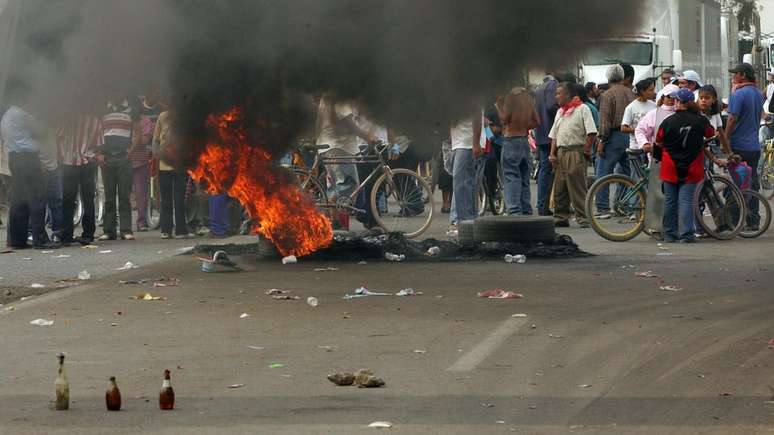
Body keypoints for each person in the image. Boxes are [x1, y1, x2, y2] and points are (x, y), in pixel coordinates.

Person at [654, 88, 715, 243]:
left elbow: (658, 141)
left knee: (670, 201)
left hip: (670, 166)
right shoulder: (701, 120)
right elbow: (710, 133)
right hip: (692, 166)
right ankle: (686, 235)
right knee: (686, 200)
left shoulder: (668, 121)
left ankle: (669, 234)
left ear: (678, 102)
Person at [1, 99, 58, 249]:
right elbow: (41, 130)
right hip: (28, 158)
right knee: (37, 198)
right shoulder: (21, 114)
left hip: (14, 158)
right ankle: (40, 239)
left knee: (19, 199)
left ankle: (17, 240)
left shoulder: (6, 116)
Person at [548, 82, 597, 228]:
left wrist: (586, 150)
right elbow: (554, 135)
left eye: (559, 94)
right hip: (561, 152)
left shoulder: (583, 109)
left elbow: (591, 132)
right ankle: (561, 216)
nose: (556, 96)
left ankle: (583, 217)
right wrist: (552, 154)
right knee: (560, 187)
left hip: (576, 150)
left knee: (577, 186)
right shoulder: (560, 112)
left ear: (568, 94)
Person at [727, 62, 766, 230]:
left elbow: (732, 118)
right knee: (752, 183)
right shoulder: (758, 93)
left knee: (736, 184)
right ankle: (753, 220)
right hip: (754, 146)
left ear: (742, 75)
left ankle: (735, 221)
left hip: (738, 145)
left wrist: (725, 138)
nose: (733, 76)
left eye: (735, 73)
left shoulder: (739, 94)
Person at [595, 64, 635, 218]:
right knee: (627, 174)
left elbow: (604, 122)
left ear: (608, 77)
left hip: (613, 137)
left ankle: (603, 208)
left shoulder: (607, 95)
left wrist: (601, 141)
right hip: (630, 136)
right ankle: (624, 206)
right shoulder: (631, 93)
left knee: (603, 173)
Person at [58, 114, 102, 246]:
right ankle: (88, 234)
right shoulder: (95, 121)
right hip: (88, 163)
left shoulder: (66, 119)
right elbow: (99, 145)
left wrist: (61, 157)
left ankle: (66, 235)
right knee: (88, 199)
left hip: (69, 163)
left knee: (68, 199)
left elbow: (59, 139)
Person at [98, 92, 136, 241]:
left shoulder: (131, 110)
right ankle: (109, 231)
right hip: (107, 158)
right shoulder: (103, 109)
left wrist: (131, 150)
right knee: (109, 197)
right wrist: (100, 153)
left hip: (123, 157)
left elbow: (138, 132)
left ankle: (126, 230)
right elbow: (98, 132)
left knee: (124, 196)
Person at [498, 87, 539, 215]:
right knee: (524, 176)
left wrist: (499, 105)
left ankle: (514, 210)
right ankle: (526, 209)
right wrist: (525, 127)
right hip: (524, 139)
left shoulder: (510, 97)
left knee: (511, 175)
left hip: (511, 139)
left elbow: (504, 119)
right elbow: (537, 121)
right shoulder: (528, 98)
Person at [152, 106, 192, 239]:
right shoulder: (162, 117)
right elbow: (156, 139)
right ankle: (166, 230)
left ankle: (181, 230)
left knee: (180, 200)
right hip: (164, 166)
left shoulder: (185, 117)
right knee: (166, 200)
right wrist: (156, 153)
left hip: (180, 166)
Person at [129, 91, 161, 232]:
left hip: (140, 159)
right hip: (126, 159)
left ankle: (141, 221)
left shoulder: (146, 121)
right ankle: (127, 224)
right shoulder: (125, 120)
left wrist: (129, 143)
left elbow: (145, 140)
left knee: (142, 193)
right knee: (126, 193)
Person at [448, 110, 483, 233]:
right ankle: (468, 221)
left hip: (466, 144)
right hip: (459, 144)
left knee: (461, 184)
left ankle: (464, 221)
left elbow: (477, 117)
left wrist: (476, 144)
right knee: (464, 184)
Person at [533, 73, 559, 216]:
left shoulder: (540, 87)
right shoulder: (553, 85)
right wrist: (562, 112)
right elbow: (551, 106)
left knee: (544, 170)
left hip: (541, 133)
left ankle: (542, 205)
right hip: (551, 133)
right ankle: (547, 205)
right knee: (552, 170)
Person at [621, 78, 657, 152]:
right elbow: (623, 128)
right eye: (650, 90)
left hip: (651, 147)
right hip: (636, 148)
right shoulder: (631, 107)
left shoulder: (654, 105)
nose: (654, 92)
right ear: (642, 91)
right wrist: (641, 131)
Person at [698, 85, 730, 155]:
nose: (703, 100)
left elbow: (722, 135)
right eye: (701, 98)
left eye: (707, 98)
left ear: (714, 100)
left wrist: (730, 153)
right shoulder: (695, 114)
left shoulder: (715, 114)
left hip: (711, 151)